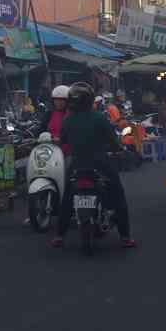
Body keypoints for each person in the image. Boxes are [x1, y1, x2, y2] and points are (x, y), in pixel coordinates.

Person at [51, 82, 135, 249]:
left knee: (67, 199)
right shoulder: (99, 118)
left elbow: (63, 141)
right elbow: (113, 142)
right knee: (118, 196)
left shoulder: (68, 120)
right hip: (100, 163)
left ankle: (60, 236)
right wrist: (119, 150)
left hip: (76, 165)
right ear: (90, 100)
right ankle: (125, 237)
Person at [38, 85, 71, 153]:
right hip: (50, 151)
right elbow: (41, 129)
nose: (59, 102)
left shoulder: (72, 116)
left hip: (67, 153)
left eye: (62, 100)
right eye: (56, 99)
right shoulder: (49, 114)